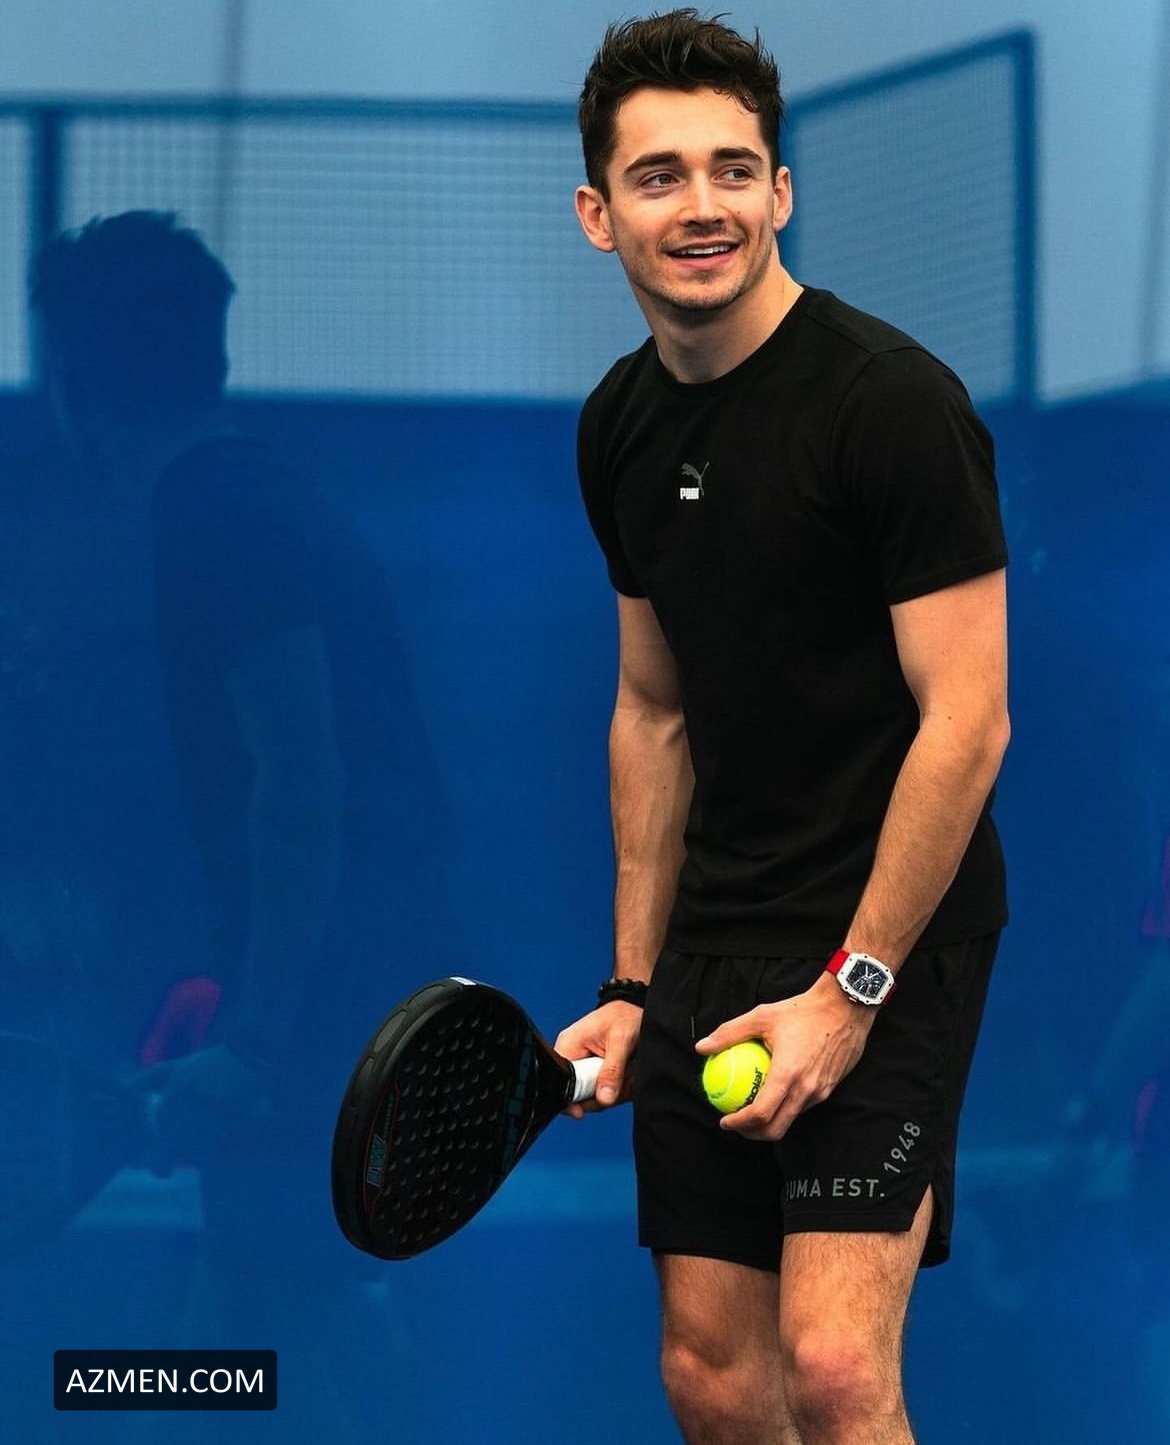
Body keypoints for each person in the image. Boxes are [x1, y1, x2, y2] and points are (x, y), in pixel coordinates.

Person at [554, 13, 1010, 1445]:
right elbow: (653, 707)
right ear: (599, 213)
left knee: (832, 1367)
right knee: (711, 1375)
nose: (703, 206)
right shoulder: (617, 426)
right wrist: (634, 985)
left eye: (733, 169)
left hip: (890, 937)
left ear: (781, 192)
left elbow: (968, 721)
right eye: (660, 176)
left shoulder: (891, 404)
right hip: (715, 938)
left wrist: (850, 989)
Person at [28, 210, 451, 1437]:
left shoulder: (217, 518)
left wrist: (263, 1044)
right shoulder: (253, 501)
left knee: (263, 1340)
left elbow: (301, 782)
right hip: (356, 1000)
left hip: (330, 1023)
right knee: (247, 1334)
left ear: (74, 383)